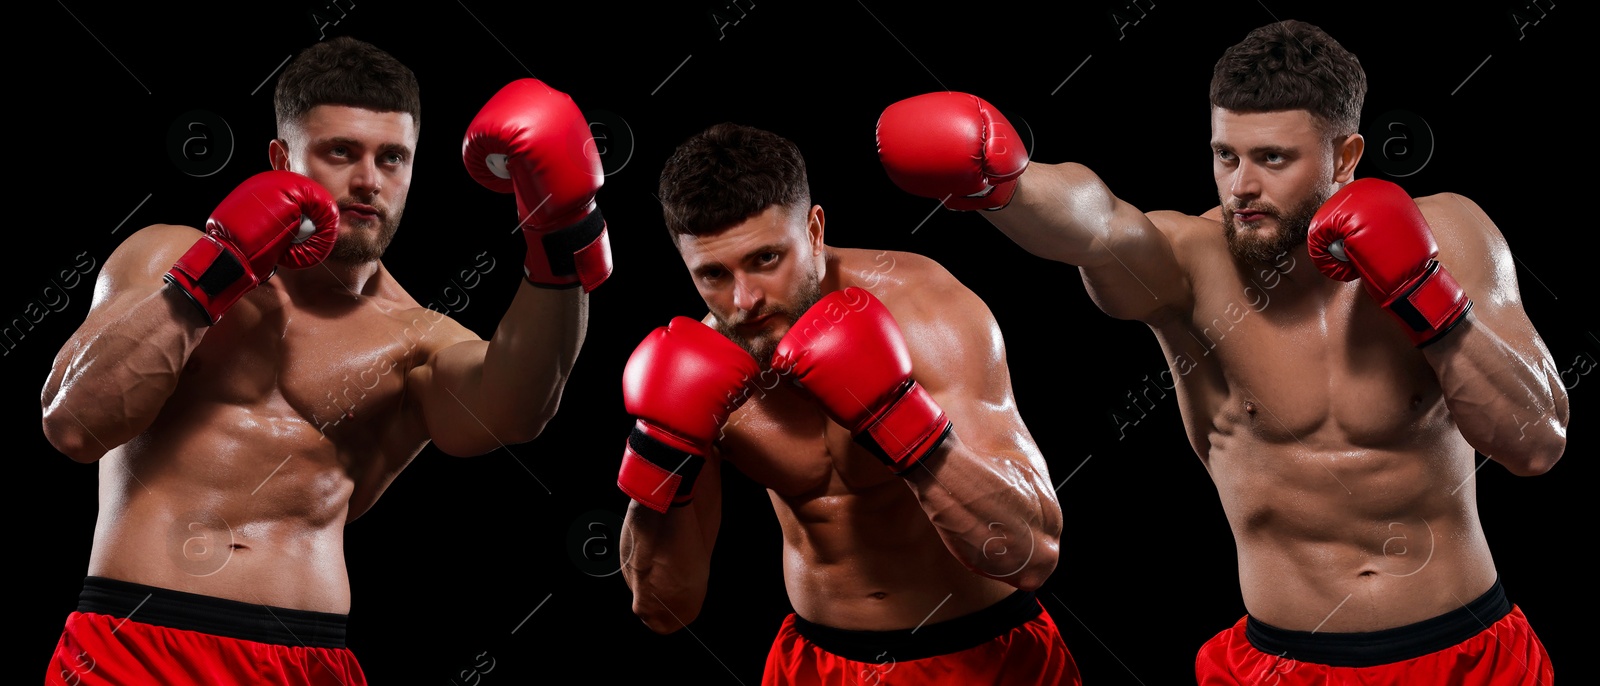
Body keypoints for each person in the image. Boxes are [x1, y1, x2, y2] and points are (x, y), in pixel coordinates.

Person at [875, 19, 1568, 686]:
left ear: (1347, 156)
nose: (1241, 187)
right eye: (1224, 155)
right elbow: (1097, 225)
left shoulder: (1447, 230)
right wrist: (1009, 185)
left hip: (1467, 653)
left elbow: (1536, 443)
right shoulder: (1189, 266)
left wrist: (1428, 296)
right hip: (1281, 663)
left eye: (1273, 159)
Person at [39, 36, 609, 685]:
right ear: (282, 158)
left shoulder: (417, 337)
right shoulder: (167, 252)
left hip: (310, 663)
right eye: (341, 152)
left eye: (393, 158)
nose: (369, 180)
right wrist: (218, 273)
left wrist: (563, 239)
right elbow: (74, 425)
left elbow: (517, 408)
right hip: (136, 645)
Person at [615, 122, 1079, 685]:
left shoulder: (926, 312)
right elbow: (664, 607)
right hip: (816, 665)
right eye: (712, 274)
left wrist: (895, 416)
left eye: (766, 259)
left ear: (813, 229)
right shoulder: (697, 373)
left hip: (982, 654)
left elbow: (1032, 555)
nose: (745, 300)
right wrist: (662, 451)